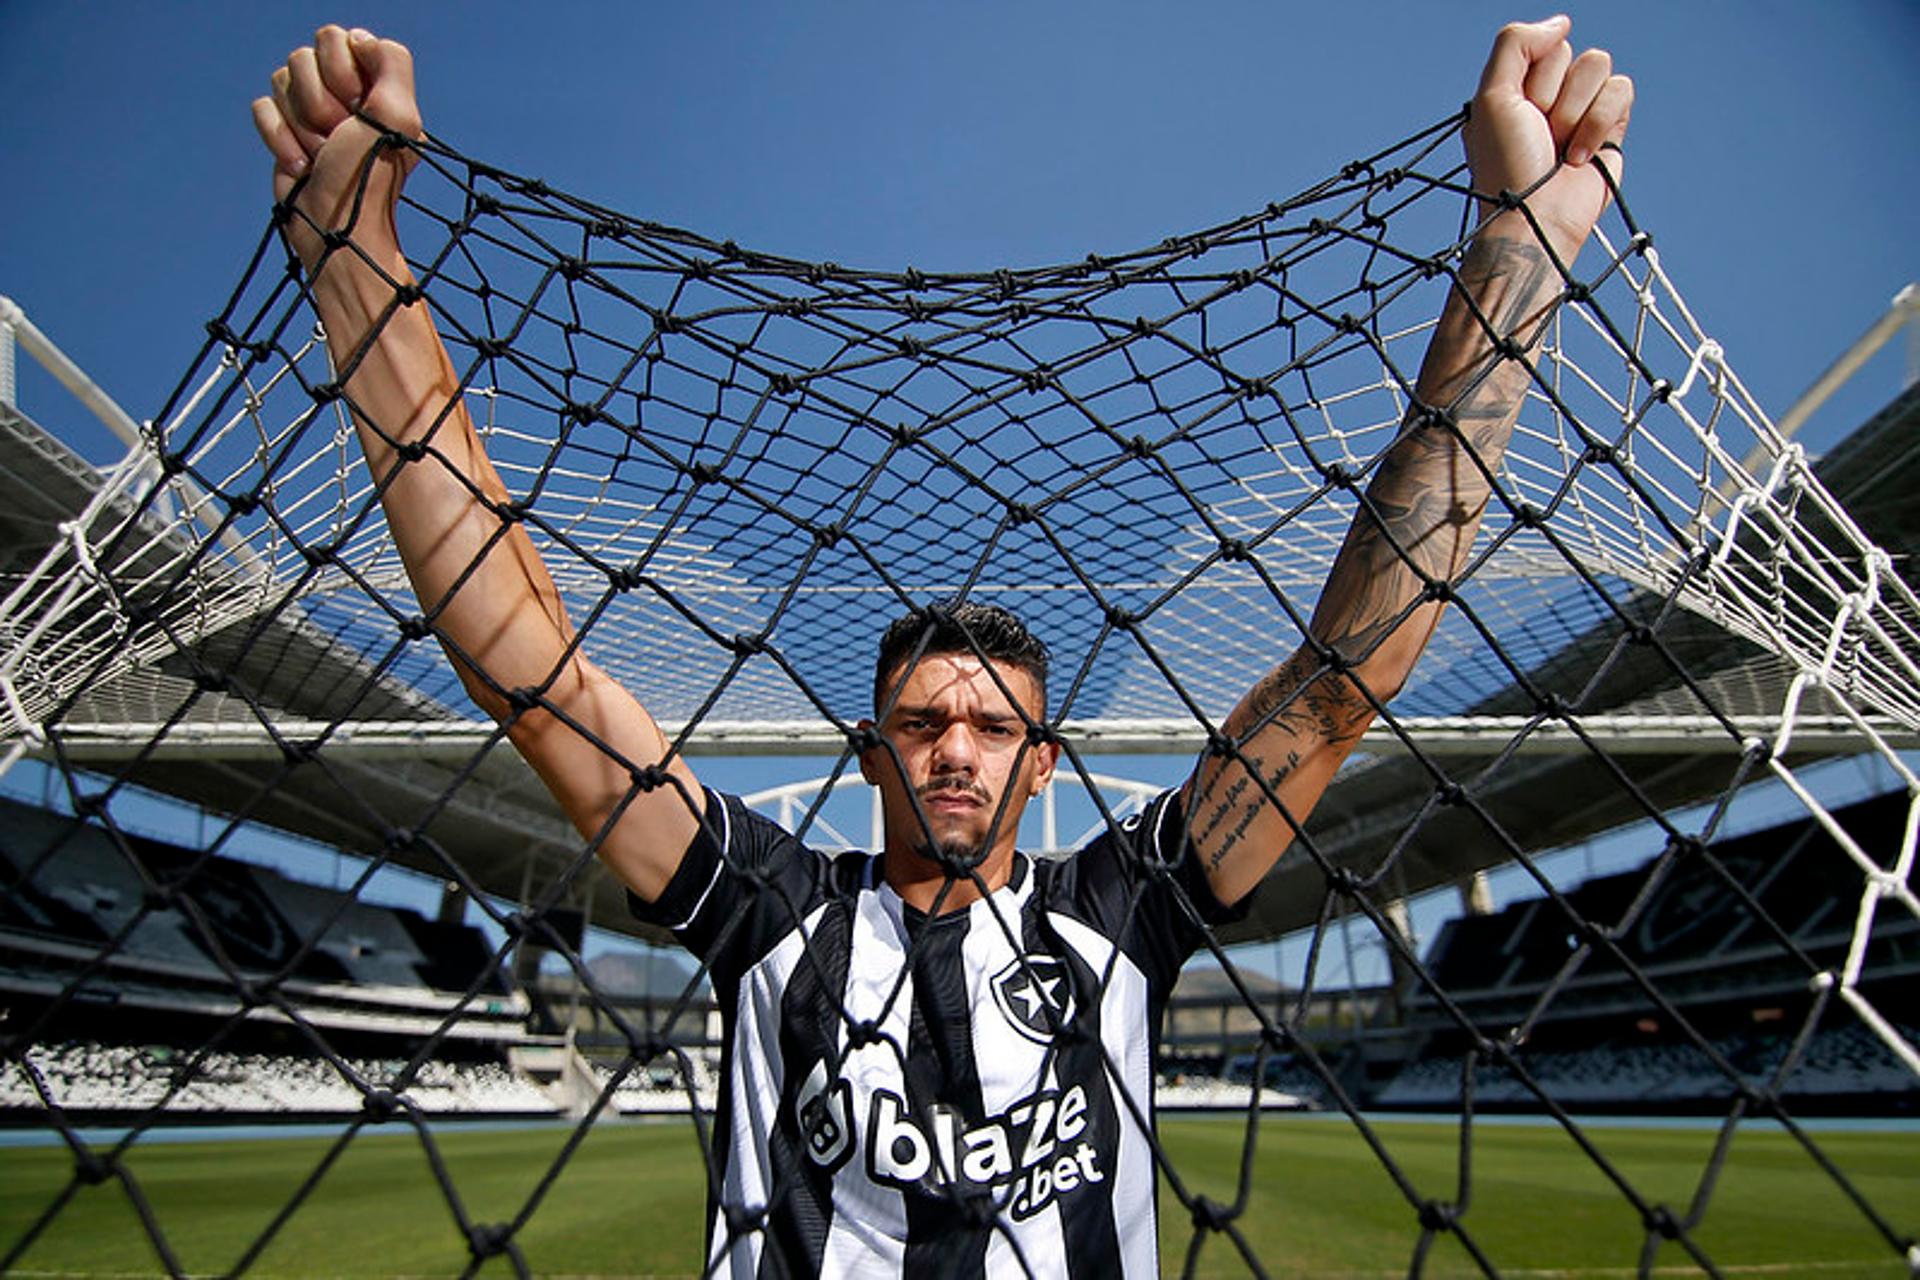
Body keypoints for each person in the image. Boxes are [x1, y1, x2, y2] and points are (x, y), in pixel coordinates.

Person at [252, 17, 1629, 1277]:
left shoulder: (1119, 912)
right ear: (869, 753)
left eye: (991, 729)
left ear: (1043, 766)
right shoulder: (770, 907)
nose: (955, 752)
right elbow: (530, 674)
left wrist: (1521, 247)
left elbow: (1343, 677)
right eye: (921, 725)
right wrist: (352, 251)